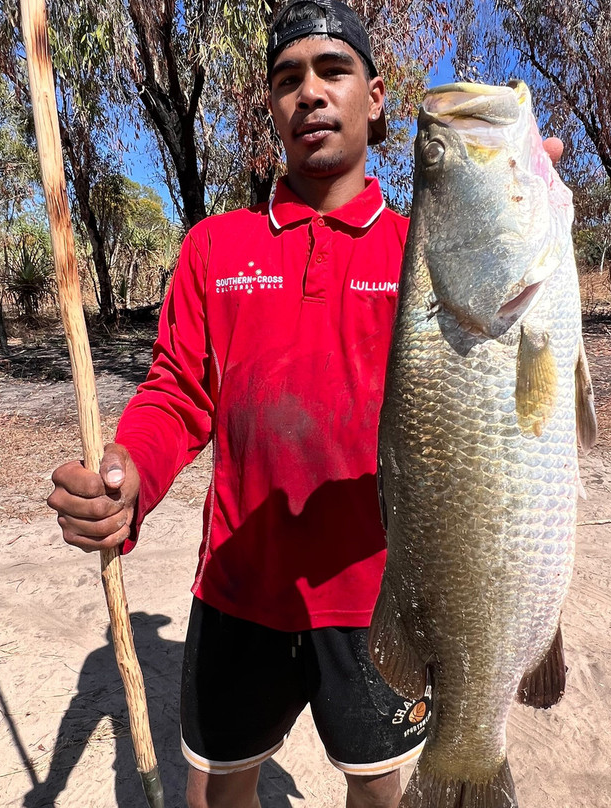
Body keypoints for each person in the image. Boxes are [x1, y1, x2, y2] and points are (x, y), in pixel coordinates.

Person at [47, 2, 562, 806]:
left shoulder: (421, 250)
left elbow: (513, 372)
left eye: (333, 72)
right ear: (272, 108)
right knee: (218, 788)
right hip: (237, 586)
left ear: (376, 95)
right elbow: (177, 391)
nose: (310, 94)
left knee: (377, 787)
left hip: (377, 592)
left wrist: (519, 201)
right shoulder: (215, 247)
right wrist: (130, 471)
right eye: (288, 80)